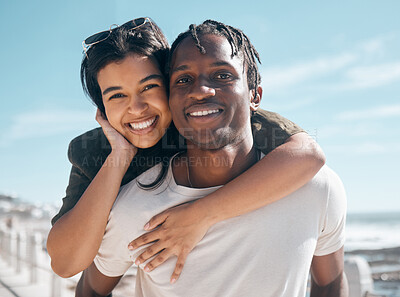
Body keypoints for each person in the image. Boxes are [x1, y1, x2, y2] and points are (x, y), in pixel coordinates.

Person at [46, 17, 325, 292]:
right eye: (117, 96)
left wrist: (201, 214)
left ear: (170, 85)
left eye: (149, 87)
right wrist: (119, 157)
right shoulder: (95, 150)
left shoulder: (205, 119)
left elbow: (307, 154)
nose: (137, 108)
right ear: (102, 109)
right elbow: (66, 263)